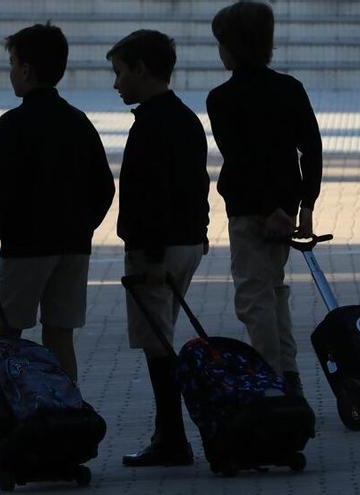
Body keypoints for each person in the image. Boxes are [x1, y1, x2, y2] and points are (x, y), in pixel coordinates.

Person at [0, 23, 115, 382]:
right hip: (73, 248)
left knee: (5, 337)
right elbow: (104, 188)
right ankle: (67, 413)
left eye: (12, 63)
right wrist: (79, 226)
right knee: (60, 336)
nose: (11, 72)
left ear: (26, 69)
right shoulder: (78, 121)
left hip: (26, 248)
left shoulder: (13, 124)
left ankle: (12, 419)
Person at [207, 1, 323, 397]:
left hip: (247, 209)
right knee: (273, 291)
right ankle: (287, 374)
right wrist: (299, 205)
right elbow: (310, 148)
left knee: (254, 297)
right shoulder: (289, 89)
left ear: (233, 46)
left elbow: (242, 158)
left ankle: (273, 380)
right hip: (285, 208)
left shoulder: (221, 98)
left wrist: (269, 207)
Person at [107, 30, 210, 467]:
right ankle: (169, 434)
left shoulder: (150, 125)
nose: (116, 84)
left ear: (141, 70)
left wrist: (148, 256)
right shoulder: (186, 118)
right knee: (162, 338)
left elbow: (149, 198)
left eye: (120, 73)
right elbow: (196, 185)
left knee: (157, 345)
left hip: (157, 251)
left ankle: (171, 437)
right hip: (187, 242)